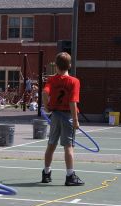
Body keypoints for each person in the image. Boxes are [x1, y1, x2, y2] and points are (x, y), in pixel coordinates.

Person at [41, 52, 84, 186]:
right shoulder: (74, 81)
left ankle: (46, 173)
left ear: (56, 65)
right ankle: (70, 175)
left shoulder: (52, 80)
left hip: (55, 115)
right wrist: (76, 120)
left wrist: (46, 106)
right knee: (68, 146)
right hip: (67, 115)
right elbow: (72, 102)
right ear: (69, 66)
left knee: (51, 144)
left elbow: (44, 92)